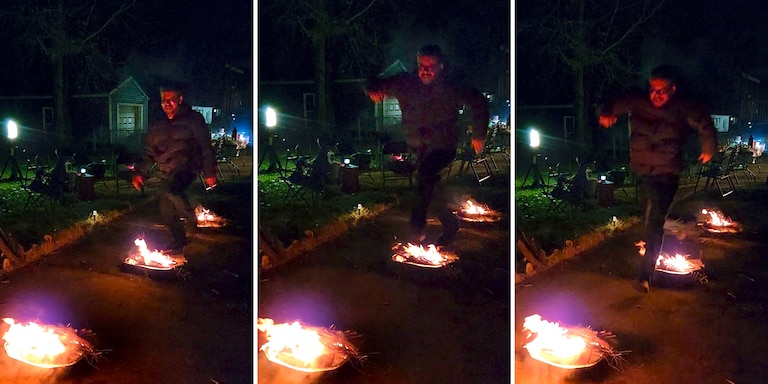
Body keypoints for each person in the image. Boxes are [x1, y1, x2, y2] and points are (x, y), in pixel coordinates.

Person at [597, 65, 717, 293]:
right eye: (653, 89)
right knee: (652, 217)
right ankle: (674, 227)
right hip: (644, 172)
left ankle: (645, 274)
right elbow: (610, 102)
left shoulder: (682, 107)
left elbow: (703, 121)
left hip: (668, 173)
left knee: (654, 221)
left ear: (672, 90)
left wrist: (708, 147)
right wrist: (604, 114)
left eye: (662, 91)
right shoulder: (638, 101)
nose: (656, 95)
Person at [365, 44, 489, 246]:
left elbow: (479, 102)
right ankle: (450, 224)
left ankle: (417, 226)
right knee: (430, 189)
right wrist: (372, 89)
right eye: (422, 65)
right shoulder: (406, 83)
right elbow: (375, 82)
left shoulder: (451, 86)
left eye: (431, 66)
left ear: (440, 66)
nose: (426, 70)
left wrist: (478, 135)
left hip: (443, 146)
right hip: (418, 147)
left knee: (425, 176)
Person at [133, 85, 218, 252]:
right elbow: (148, 153)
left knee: (171, 190)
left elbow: (205, 147)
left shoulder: (193, 120)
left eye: (171, 100)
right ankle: (179, 240)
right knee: (165, 211)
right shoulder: (157, 126)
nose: (167, 104)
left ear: (180, 99)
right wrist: (140, 173)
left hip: (188, 167)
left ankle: (191, 218)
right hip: (167, 171)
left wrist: (210, 172)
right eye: (164, 101)